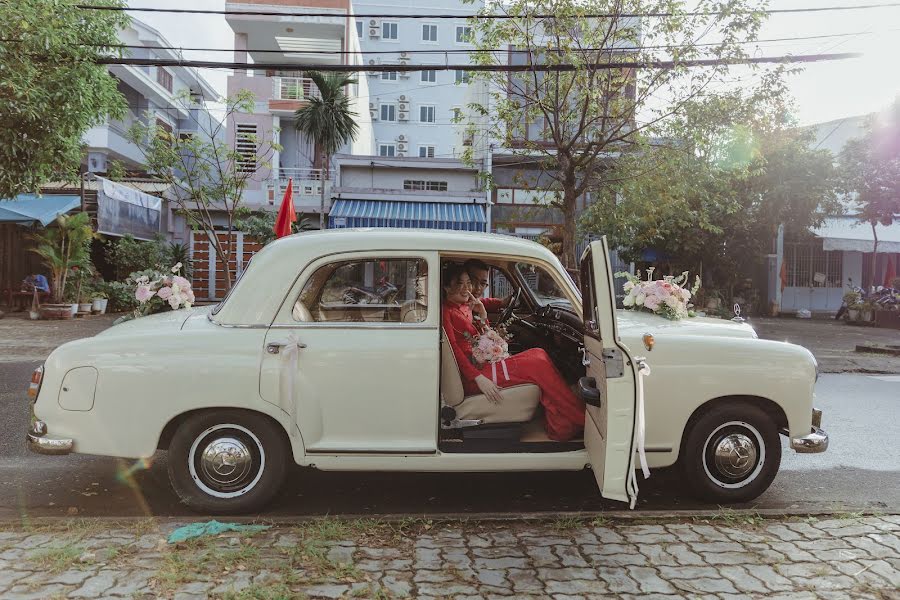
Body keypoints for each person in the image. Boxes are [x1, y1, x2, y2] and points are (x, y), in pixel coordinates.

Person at [441, 263, 585, 441]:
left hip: (482, 363)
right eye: (459, 284)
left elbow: (482, 336)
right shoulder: (446, 311)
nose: (466, 289)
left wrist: (484, 316)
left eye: (468, 283)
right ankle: (578, 416)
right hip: (473, 374)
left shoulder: (465, 306)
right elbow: (455, 350)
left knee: (538, 354)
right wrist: (478, 379)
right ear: (446, 287)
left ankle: (563, 418)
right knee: (537, 364)